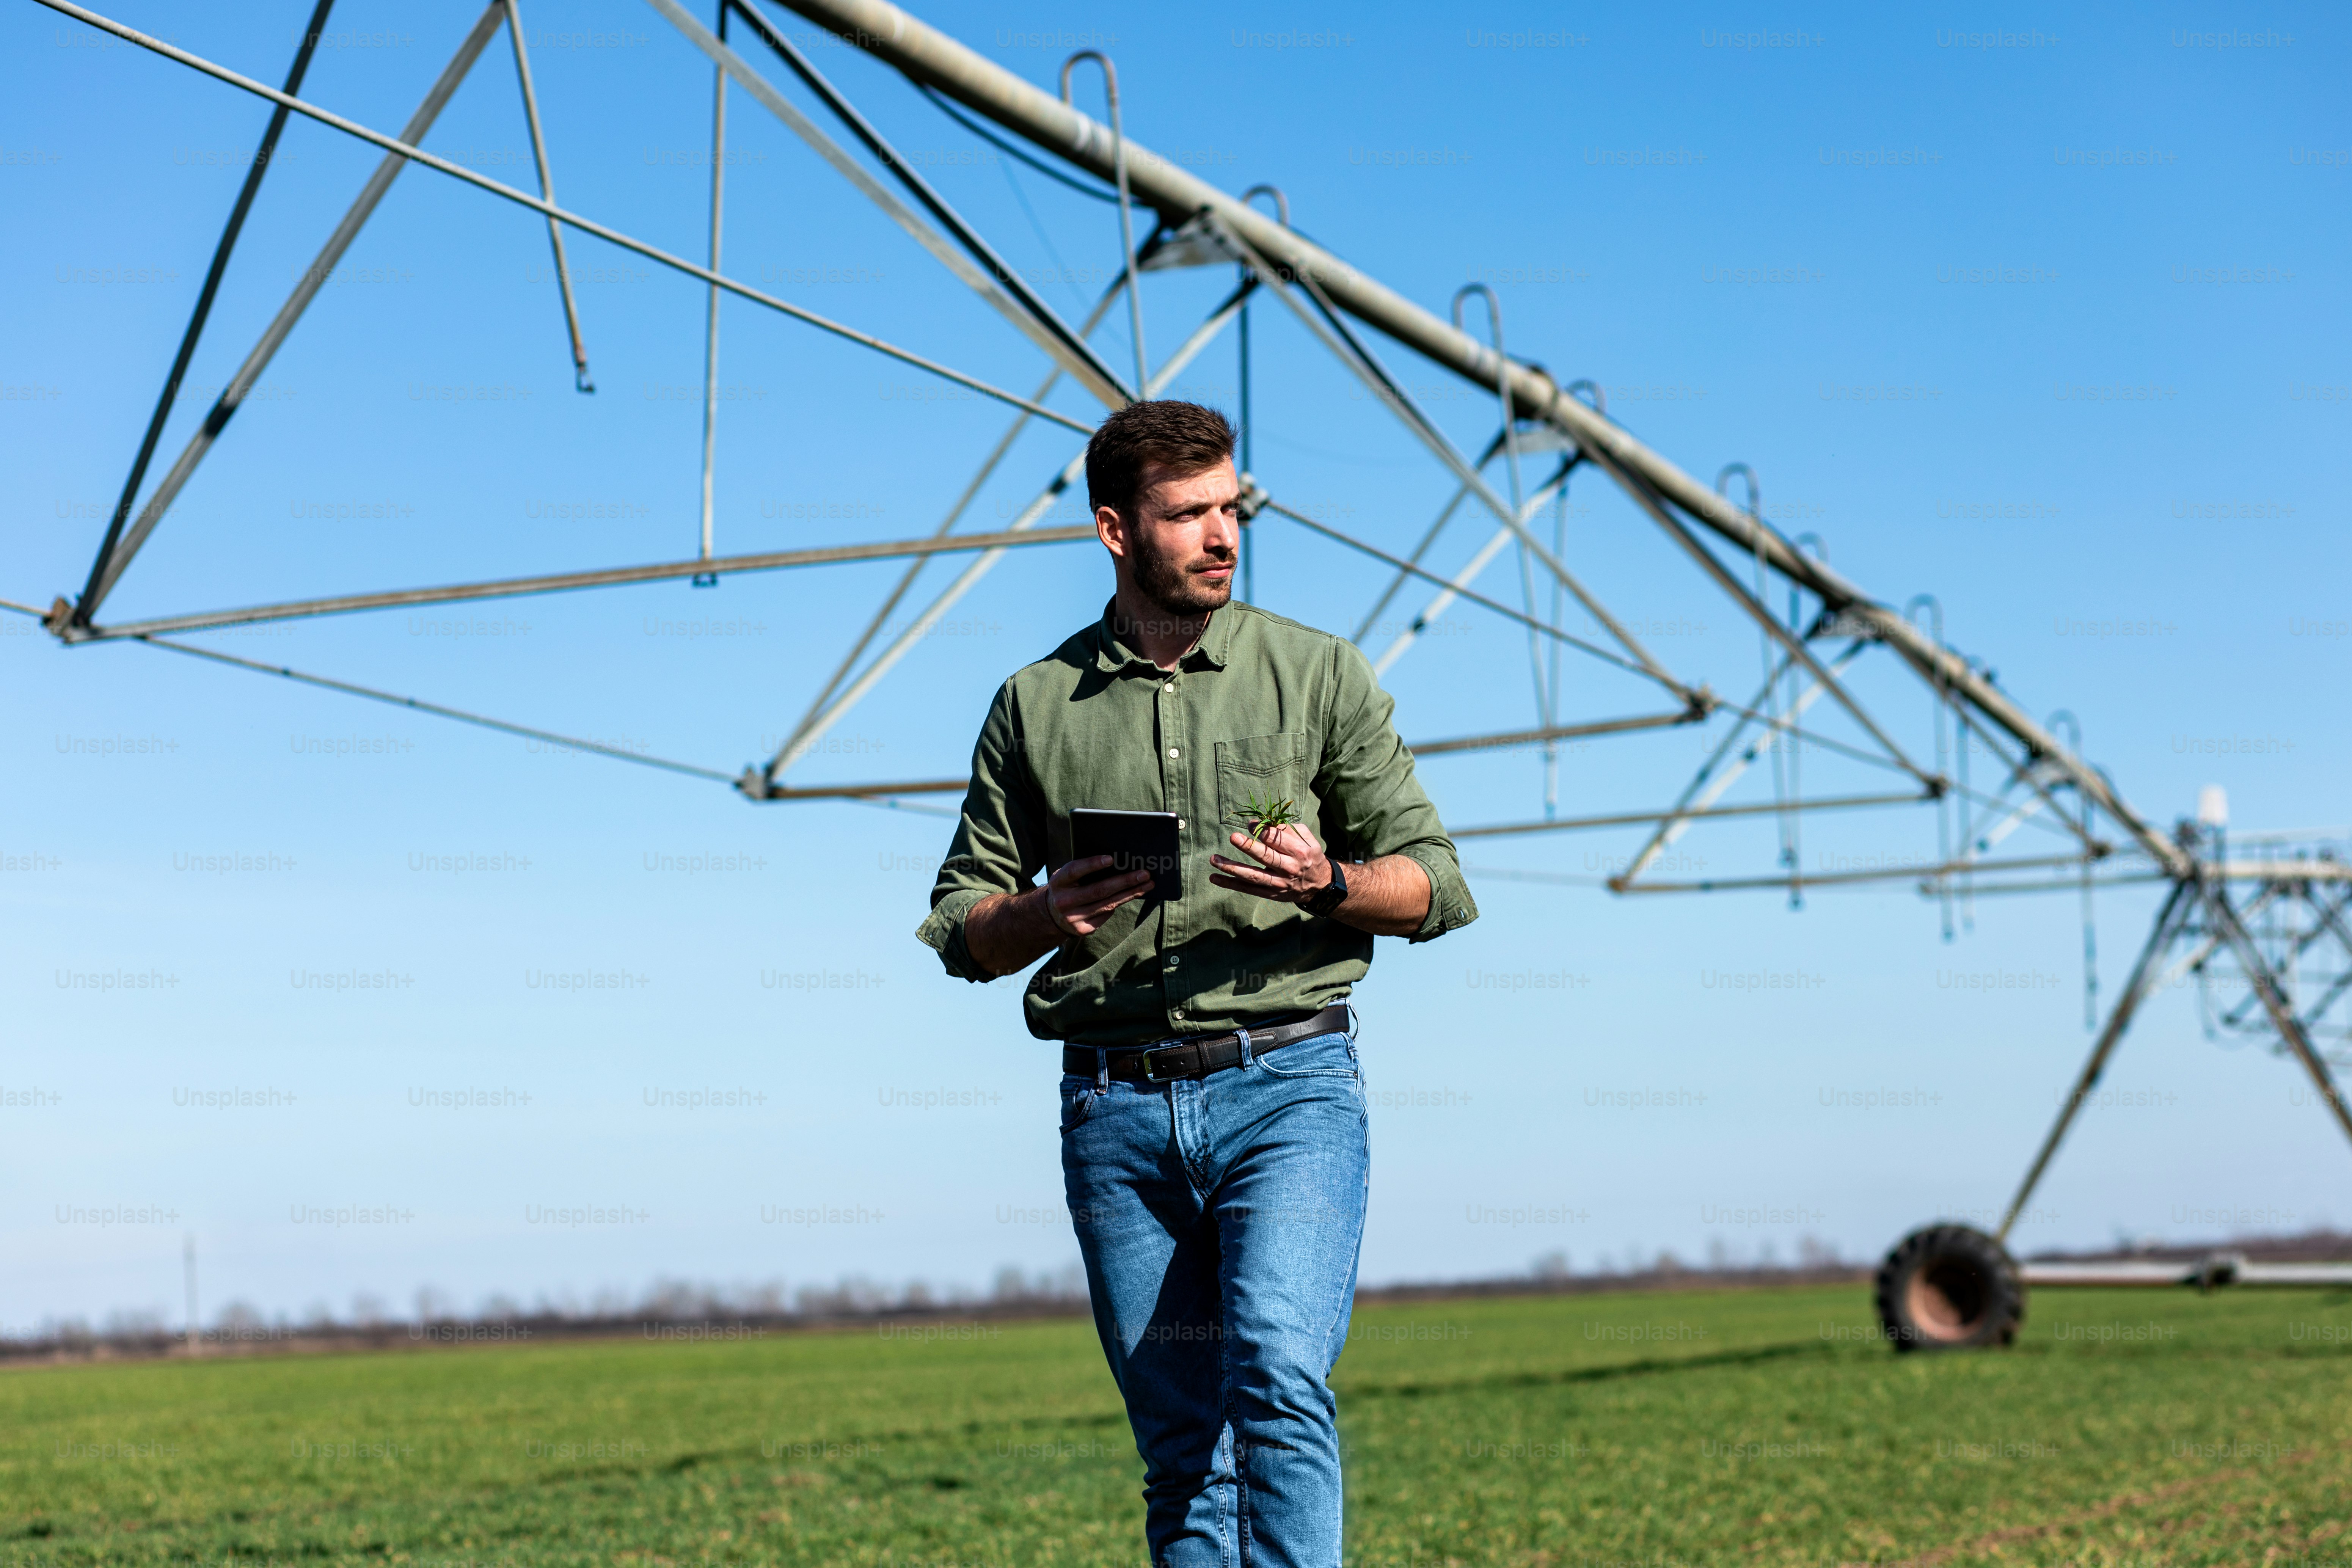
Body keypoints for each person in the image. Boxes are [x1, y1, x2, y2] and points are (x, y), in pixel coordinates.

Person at [918, 399, 1477, 1567]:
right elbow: (962, 927)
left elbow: (1435, 886)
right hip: (1111, 1109)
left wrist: (1327, 881)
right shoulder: (1031, 707)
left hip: (1291, 1087)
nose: (1222, 536)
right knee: (1182, 1444)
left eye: (1232, 509)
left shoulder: (1318, 674)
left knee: (1275, 1371)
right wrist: (1041, 910)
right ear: (1117, 531)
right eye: (1189, 516)